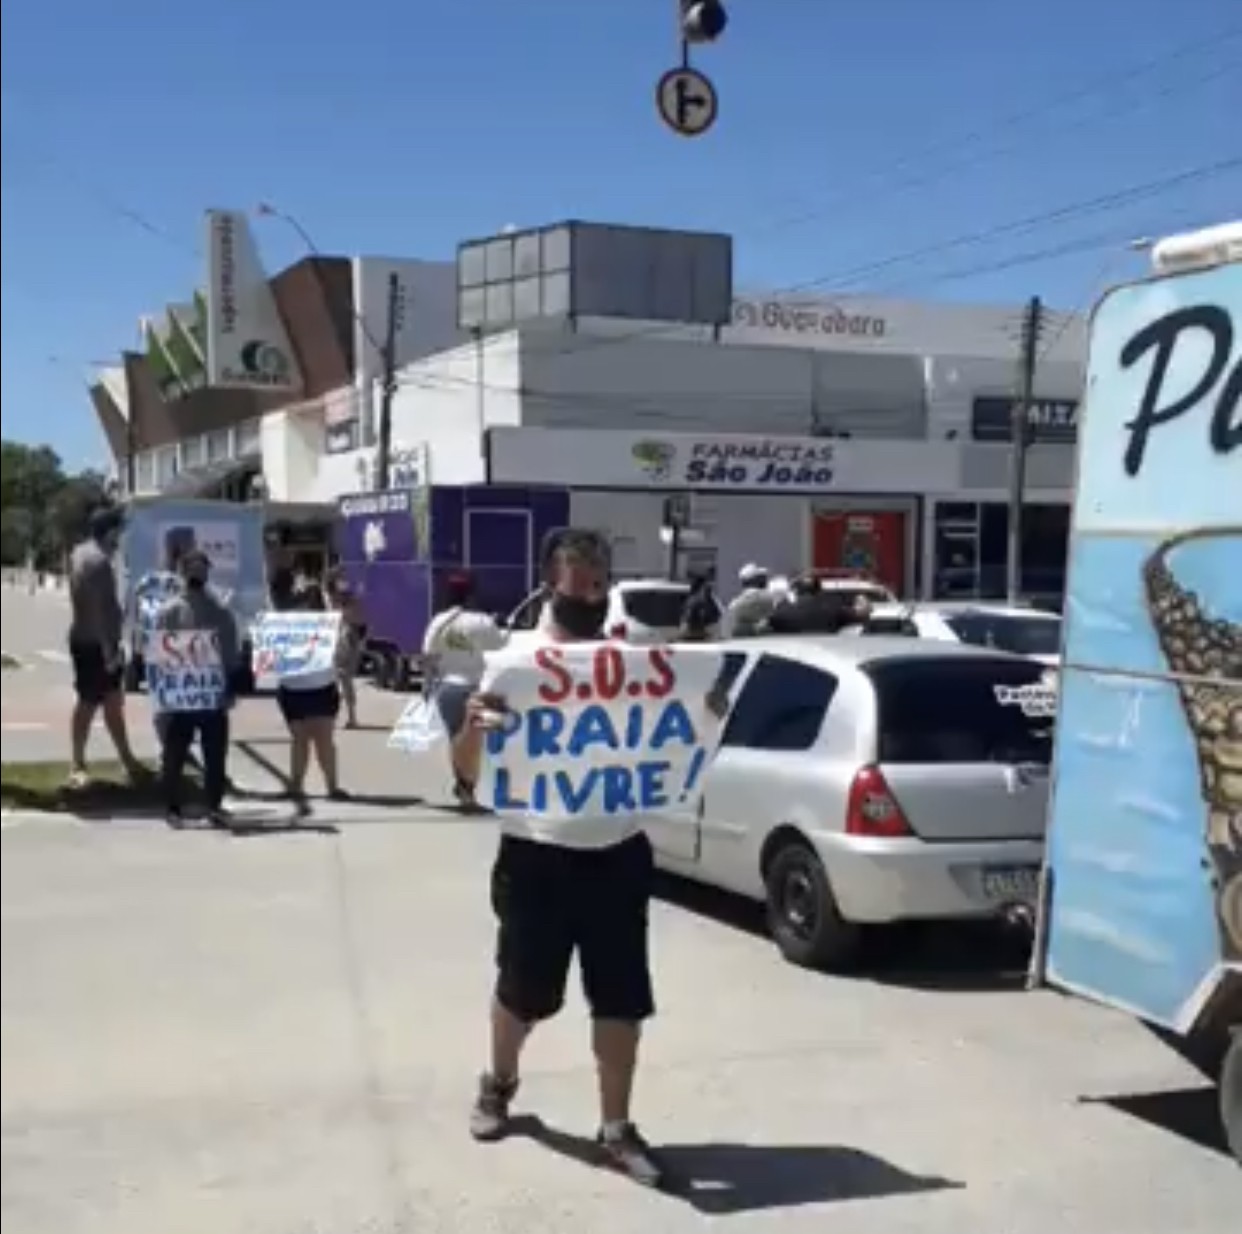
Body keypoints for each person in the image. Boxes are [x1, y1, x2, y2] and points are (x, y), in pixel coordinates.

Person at [452, 529, 729, 1188]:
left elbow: (683, 730)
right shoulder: (516, 664)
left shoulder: (633, 663)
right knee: (523, 992)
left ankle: (615, 1128)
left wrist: (709, 711)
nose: (591, 591)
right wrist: (471, 729)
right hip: (536, 856)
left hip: (617, 856)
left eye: (600, 580)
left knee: (622, 996)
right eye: (578, 580)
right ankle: (499, 1082)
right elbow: (466, 774)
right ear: (551, 582)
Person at [155, 549, 241, 829]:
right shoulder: (218, 612)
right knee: (197, 754)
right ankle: (200, 807)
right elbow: (231, 657)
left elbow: (157, 659)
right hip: (196, 697)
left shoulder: (172, 612)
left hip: (196, 697)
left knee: (184, 755)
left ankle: (179, 808)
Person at [65, 506, 144, 787]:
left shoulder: (80, 552)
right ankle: (77, 763)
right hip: (96, 644)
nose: (120, 536)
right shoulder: (98, 562)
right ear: (109, 531)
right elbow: (97, 610)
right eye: (118, 530)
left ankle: (126, 757)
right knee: (88, 703)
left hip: (87, 639)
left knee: (112, 702)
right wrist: (108, 650)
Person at [423, 572, 506, 803]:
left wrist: (428, 685)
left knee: (456, 740)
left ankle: (464, 786)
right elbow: (501, 652)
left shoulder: (439, 621)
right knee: (482, 742)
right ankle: (476, 785)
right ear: (472, 593)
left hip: (448, 688)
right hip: (480, 689)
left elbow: (428, 657)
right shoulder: (483, 622)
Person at [275, 578, 345, 814]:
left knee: (310, 740)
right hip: (307, 687)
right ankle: (321, 786)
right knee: (312, 740)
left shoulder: (320, 624)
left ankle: (318, 786)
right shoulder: (325, 624)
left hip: (309, 686)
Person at [327, 567, 366, 729]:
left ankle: (348, 716)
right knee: (342, 678)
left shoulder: (348, 599)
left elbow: (354, 618)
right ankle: (346, 715)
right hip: (345, 637)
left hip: (347, 637)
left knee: (343, 676)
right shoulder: (342, 598)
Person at [767, 574, 849, 635]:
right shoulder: (834, 609)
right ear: (819, 590)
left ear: (795, 591)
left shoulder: (781, 611)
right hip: (826, 653)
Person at [721, 562, 776, 638]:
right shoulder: (767, 597)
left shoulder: (741, 601)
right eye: (760, 577)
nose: (765, 579)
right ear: (754, 580)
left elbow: (726, 626)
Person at [678, 570, 721, 642]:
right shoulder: (699, 601)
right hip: (696, 634)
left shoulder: (692, 600)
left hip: (693, 632)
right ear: (701, 587)